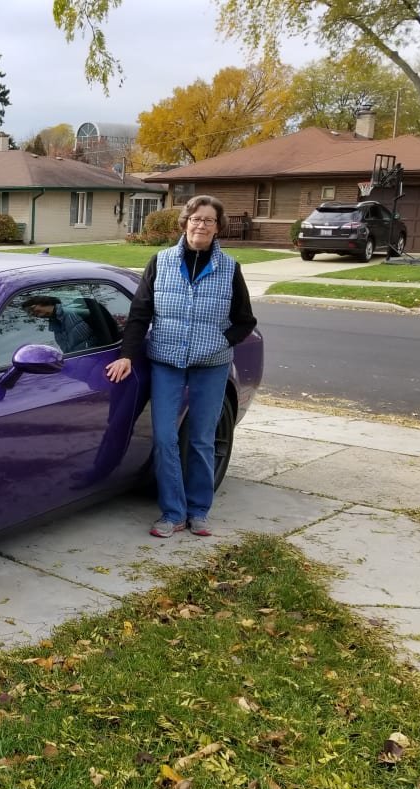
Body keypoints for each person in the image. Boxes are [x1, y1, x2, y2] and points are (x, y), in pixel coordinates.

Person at [105, 195, 258, 538]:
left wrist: (221, 341)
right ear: (185, 222)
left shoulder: (229, 269)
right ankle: (173, 512)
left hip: (211, 366)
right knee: (164, 437)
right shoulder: (160, 262)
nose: (201, 225)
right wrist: (128, 354)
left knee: (202, 439)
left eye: (209, 221)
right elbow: (140, 313)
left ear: (218, 228)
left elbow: (245, 321)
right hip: (167, 362)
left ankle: (199, 510)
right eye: (195, 219)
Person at [23, 295, 94, 354]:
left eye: (31, 309)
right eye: (29, 312)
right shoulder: (55, 325)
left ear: (42, 301)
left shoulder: (73, 312)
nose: (31, 313)